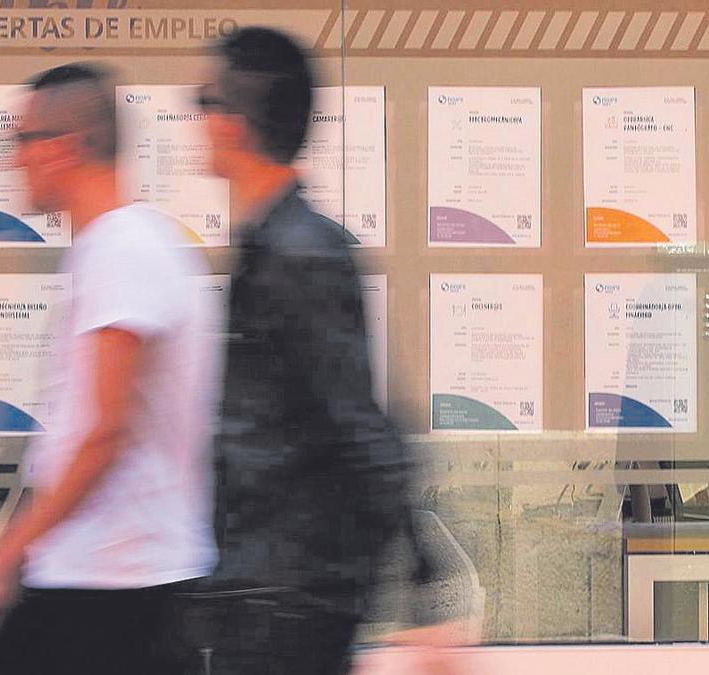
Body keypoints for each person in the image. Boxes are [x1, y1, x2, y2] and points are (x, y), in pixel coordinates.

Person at [0, 63, 221, 675]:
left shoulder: (122, 250)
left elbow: (105, 434)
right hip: (109, 579)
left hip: (109, 586)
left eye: (21, 142)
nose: (13, 161)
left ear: (66, 148)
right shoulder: (131, 245)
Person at [188, 27, 411, 674]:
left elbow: (362, 426)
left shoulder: (301, 252)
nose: (196, 120)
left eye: (204, 100)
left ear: (233, 123)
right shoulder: (268, 246)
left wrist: (430, 594)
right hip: (259, 592)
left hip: (288, 606)